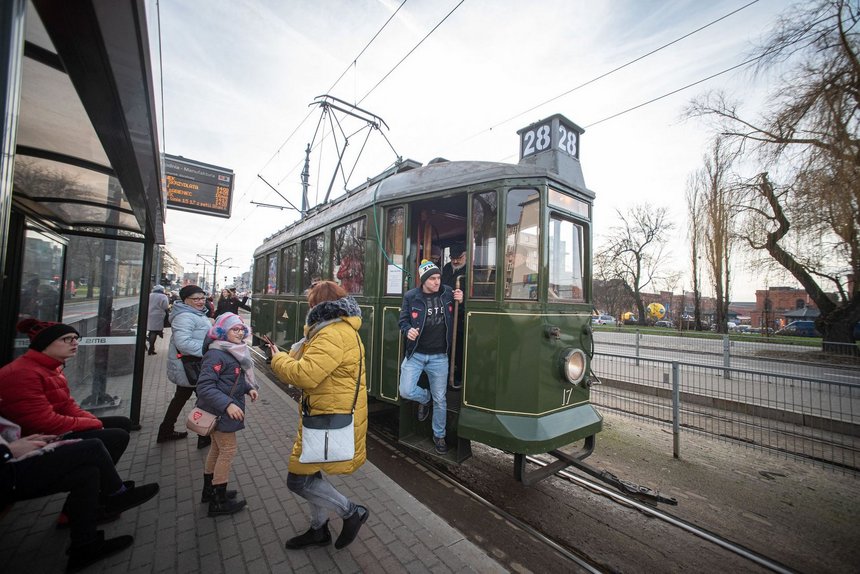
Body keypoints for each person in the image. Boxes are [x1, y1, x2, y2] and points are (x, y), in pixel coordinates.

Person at [268, 281, 369, 550]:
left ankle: (351, 512)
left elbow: (304, 375)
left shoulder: (332, 334)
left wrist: (277, 359)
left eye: (311, 302)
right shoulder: (336, 330)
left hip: (326, 416)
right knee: (312, 473)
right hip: (324, 411)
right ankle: (318, 530)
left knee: (298, 479)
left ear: (318, 305)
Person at [0, 413, 160, 572]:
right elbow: (40, 417)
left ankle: (84, 546)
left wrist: (15, 444)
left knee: (88, 473)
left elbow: (59, 407)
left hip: (13, 460)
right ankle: (115, 495)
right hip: (8, 472)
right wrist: (8, 450)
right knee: (94, 447)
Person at [0, 319, 131, 464]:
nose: (74, 343)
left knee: (122, 423)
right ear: (45, 344)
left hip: (55, 429)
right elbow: (42, 422)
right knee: (116, 435)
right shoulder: (22, 373)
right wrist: (90, 424)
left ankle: (105, 478)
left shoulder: (52, 368)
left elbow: (68, 405)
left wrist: (92, 421)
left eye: (75, 338)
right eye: (66, 339)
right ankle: (107, 482)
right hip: (38, 438)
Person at [194, 313, 258, 517]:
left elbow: (232, 379)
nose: (240, 332)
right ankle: (219, 501)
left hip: (219, 411)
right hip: (220, 412)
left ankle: (209, 491)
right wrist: (228, 405)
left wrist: (248, 388)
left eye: (241, 329)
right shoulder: (216, 355)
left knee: (216, 449)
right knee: (228, 451)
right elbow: (204, 386)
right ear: (222, 332)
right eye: (234, 329)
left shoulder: (229, 351)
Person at [398, 260, 463, 454]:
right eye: (433, 278)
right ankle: (425, 399)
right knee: (406, 391)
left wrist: (460, 298)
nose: (437, 281)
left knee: (441, 399)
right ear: (424, 280)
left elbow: (459, 309)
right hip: (415, 354)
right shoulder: (411, 296)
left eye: (438, 277)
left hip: (439, 357)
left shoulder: (448, 292)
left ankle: (439, 435)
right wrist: (408, 330)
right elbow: (403, 321)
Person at [157, 284, 212, 445]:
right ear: (186, 300)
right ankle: (203, 436)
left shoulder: (194, 313)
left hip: (191, 366)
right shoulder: (184, 317)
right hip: (191, 366)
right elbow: (184, 343)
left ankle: (165, 430)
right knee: (205, 399)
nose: (201, 302)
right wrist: (209, 351)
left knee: (181, 398)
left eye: (203, 298)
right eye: (196, 299)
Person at [440, 242, 467, 388]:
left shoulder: (471, 271)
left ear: (466, 255)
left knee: (459, 349)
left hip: (461, 317)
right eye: (453, 258)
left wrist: (463, 300)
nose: (455, 261)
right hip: (446, 314)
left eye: (459, 258)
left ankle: (457, 378)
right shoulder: (446, 268)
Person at [146, 285, 170, 355]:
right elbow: (165, 306)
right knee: (155, 331)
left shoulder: (150, 295)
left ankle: (151, 347)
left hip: (149, 314)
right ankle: (151, 348)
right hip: (159, 315)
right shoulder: (163, 296)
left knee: (151, 331)